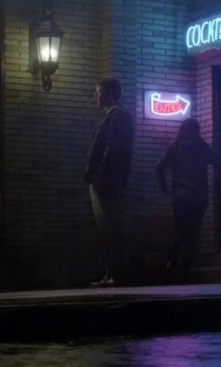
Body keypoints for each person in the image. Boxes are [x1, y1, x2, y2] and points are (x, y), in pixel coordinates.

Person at [155, 118, 221, 284]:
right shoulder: (202, 147)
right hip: (198, 198)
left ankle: (169, 269)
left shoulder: (175, 147)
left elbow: (159, 167)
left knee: (179, 234)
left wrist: (165, 189)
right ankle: (183, 272)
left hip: (180, 197)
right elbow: (220, 166)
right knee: (192, 235)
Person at [85, 77, 134, 287]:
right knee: (105, 228)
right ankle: (111, 272)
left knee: (111, 226)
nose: (95, 97)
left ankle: (117, 273)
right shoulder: (110, 116)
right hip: (103, 178)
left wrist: (102, 175)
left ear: (110, 94)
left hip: (107, 180)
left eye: (99, 92)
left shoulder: (119, 116)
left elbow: (114, 148)